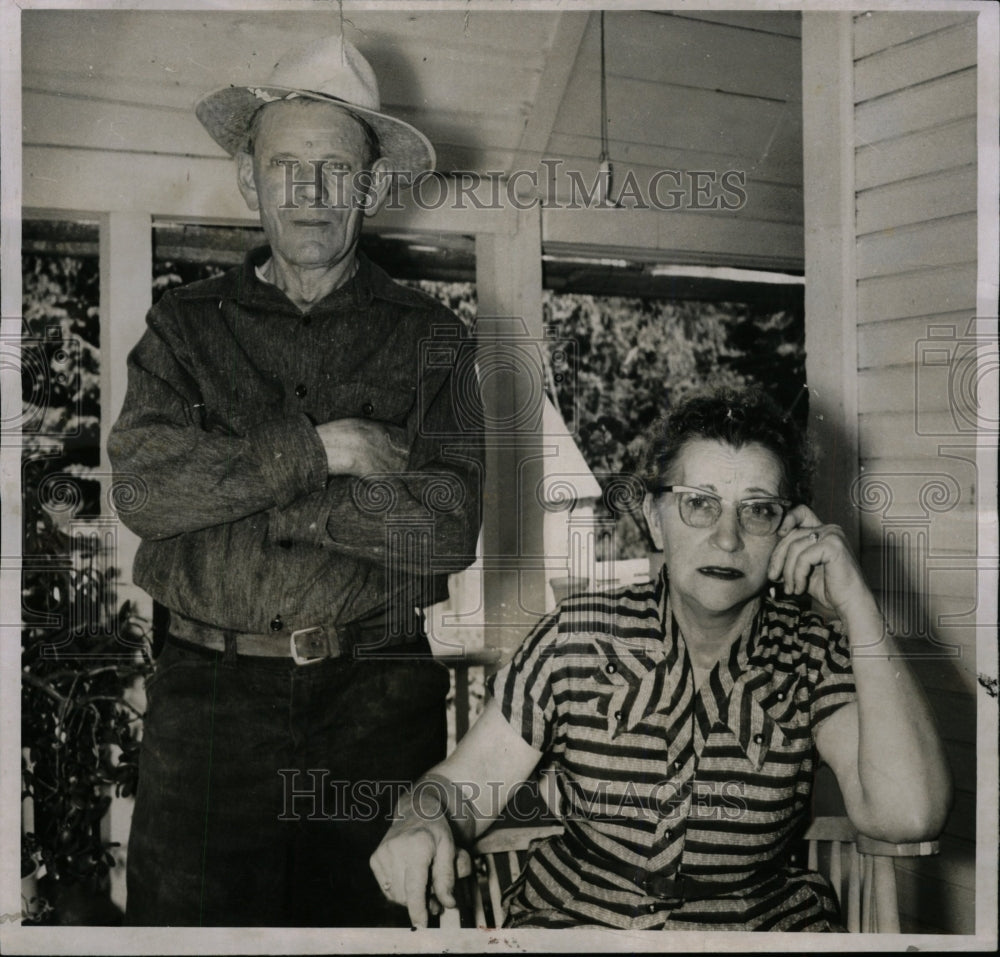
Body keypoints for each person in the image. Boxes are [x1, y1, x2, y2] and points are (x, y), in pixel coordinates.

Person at [108, 34, 484, 927]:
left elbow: (447, 525)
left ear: (374, 186)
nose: (309, 194)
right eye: (286, 167)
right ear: (250, 179)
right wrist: (330, 446)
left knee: (369, 934)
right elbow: (144, 493)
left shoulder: (435, 336)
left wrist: (254, 480)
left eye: (334, 170)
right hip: (204, 709)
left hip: (376, 705)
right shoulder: (182, 330)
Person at [370, 385, 951, 931]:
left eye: (757, 510)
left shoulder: (810, 656)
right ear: (653, 518)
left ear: (788, 527)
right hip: (579, 931)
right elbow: (460, 789)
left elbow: (909, 817)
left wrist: (858, 609)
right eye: (699, 504)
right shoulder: (579, 638)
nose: (727, 538)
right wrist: (420, 818)